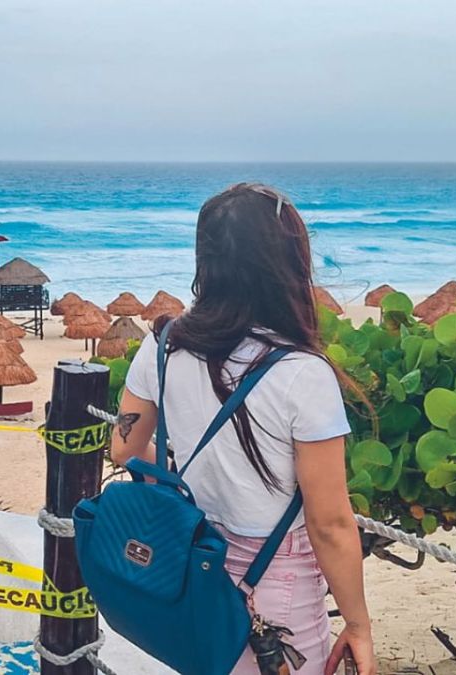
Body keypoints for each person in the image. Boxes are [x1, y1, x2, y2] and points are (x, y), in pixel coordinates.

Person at [109, 183, 377, 675]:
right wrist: (358, 625)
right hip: (276, 585)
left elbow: (124, 448)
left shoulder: (163, 344)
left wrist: (184, 479)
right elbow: (329, 524)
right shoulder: (301, 372)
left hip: (189, 562)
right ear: (288, 264)